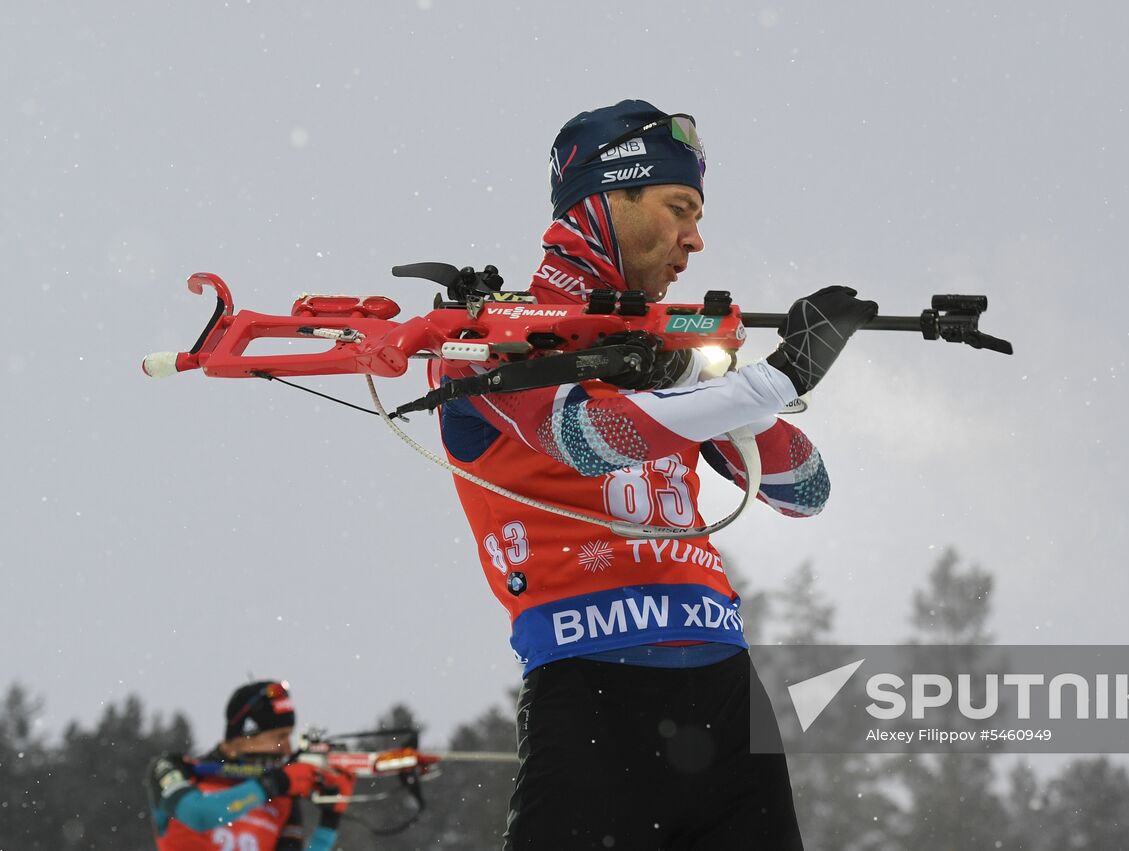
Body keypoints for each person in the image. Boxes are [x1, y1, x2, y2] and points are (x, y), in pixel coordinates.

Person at [433, 99, 878, 849]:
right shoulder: (491, 337)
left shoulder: (665, 349)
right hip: (594, 699)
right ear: (607, 202)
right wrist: (772, 377)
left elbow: (806, 487)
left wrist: (707, 383)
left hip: (729, 701)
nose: (695, 239)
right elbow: (588, 436)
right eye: (678, 207)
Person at [146, 680, 354, 851]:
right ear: (242, 737)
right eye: (279, 737)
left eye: (290, 737)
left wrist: (329, 820)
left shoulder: (282, 797)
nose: (287, 749)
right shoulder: (175, 769)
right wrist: (273, 784)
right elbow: (201, 815)